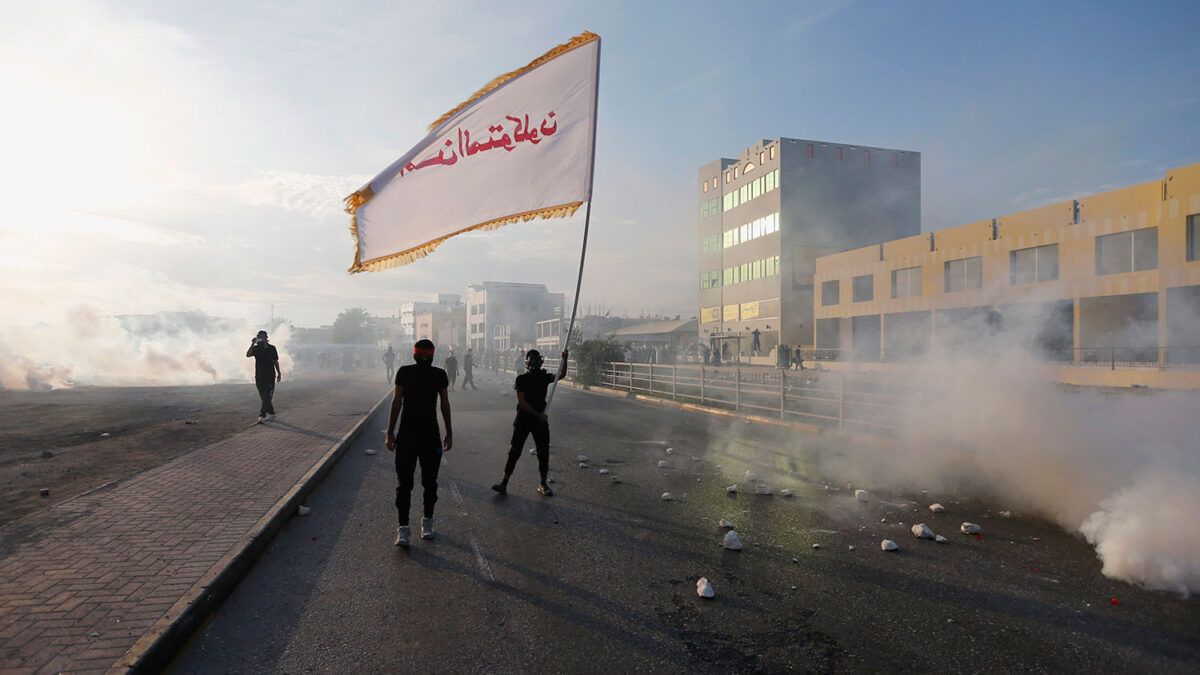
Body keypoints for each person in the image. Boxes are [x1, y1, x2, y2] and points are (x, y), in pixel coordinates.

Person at [386, 339, 452, 547]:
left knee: (419, 483)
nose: (424, 358)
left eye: (425, 355)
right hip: (416, 435)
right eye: (423, 355)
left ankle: (418, 524)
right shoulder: (429, 374)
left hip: (418, 435)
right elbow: (397, 402)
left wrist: (390, 432)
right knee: (414, 484)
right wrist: (390, 432)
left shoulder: (419, 373)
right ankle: (410, 526)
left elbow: (444, 405)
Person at [491, 348, 569, 497]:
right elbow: (521, 402)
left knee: (542, 452)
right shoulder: (522, 379)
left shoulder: (543, 376)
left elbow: (561, 375)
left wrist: (564, 359)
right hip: (525, 420)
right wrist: (539, 415)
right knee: (515, 451)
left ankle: (542, 483)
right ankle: (504, 482)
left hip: (537, 420)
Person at [246, 330, 281, 424]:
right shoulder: (256, 348)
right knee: (264, 397)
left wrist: (279, 373)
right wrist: (252, 344)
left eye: (262, 337)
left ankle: (261, 416)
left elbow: (275, 361)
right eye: (259, 337)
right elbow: (248, 355)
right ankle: (271, 413)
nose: (260, 339)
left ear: (266, 338)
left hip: (270, 376)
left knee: (267, 396)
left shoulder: (272, 348)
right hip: (259, 376)